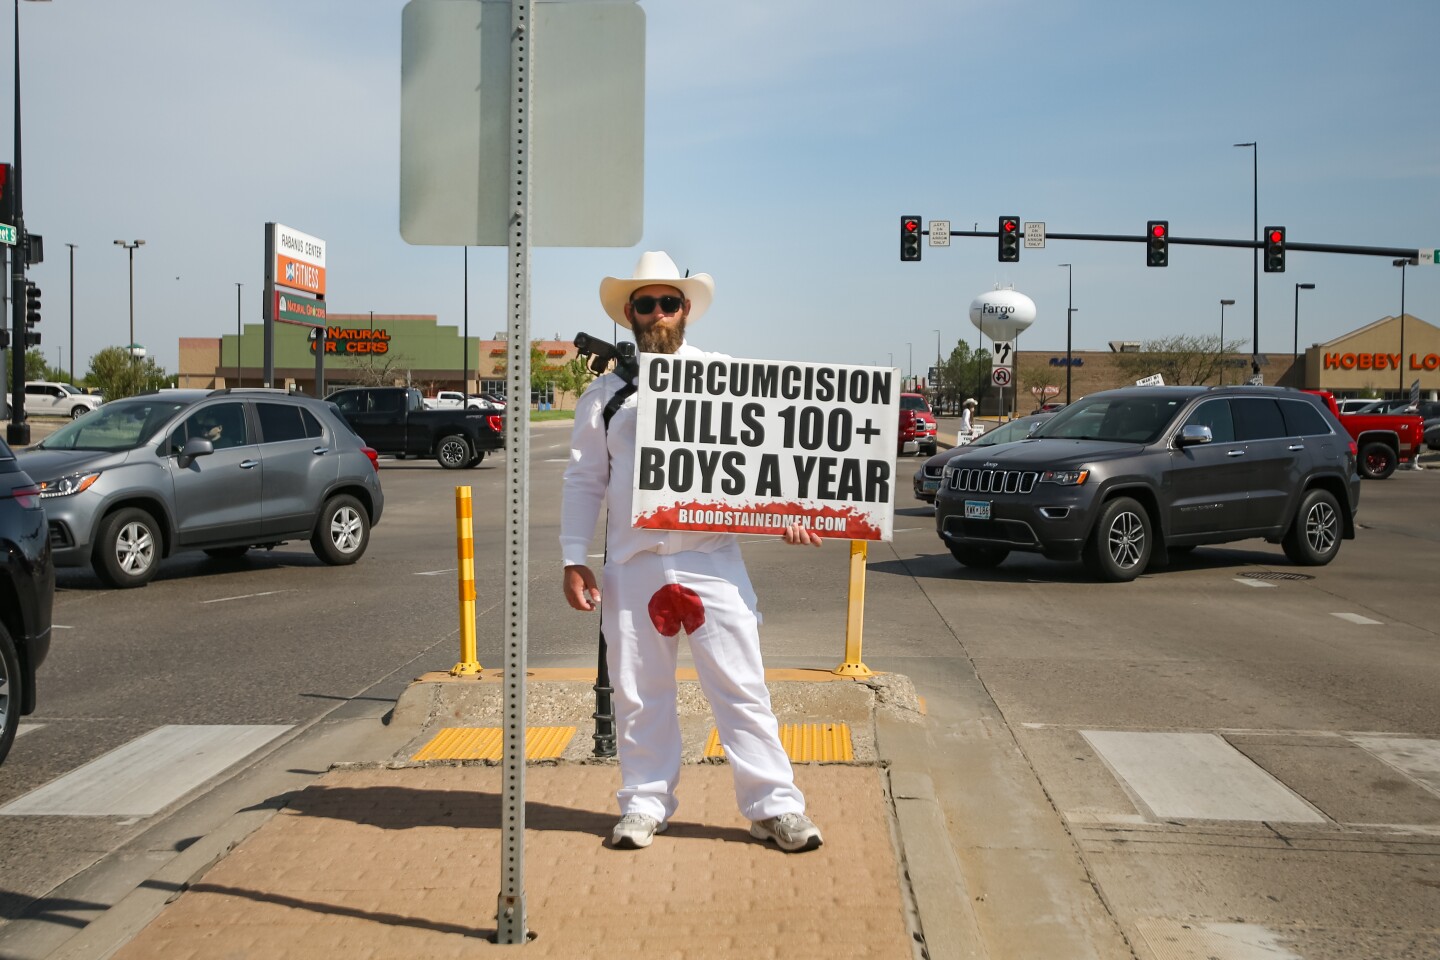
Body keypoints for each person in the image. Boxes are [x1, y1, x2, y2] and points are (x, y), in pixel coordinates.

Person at [560, 251, 826, 853]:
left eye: (669, 303)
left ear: (686, 312)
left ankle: (774, 806)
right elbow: (583, 479)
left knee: (742, 688)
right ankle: (644, 805)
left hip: (713, 560)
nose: (658, 313)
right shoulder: (605, 395)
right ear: (630, 312)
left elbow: (769, 460)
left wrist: (796, 512)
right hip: (633, 564)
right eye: (646, 303)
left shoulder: (727, 379)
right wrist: (573, 556)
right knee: (637, 692)